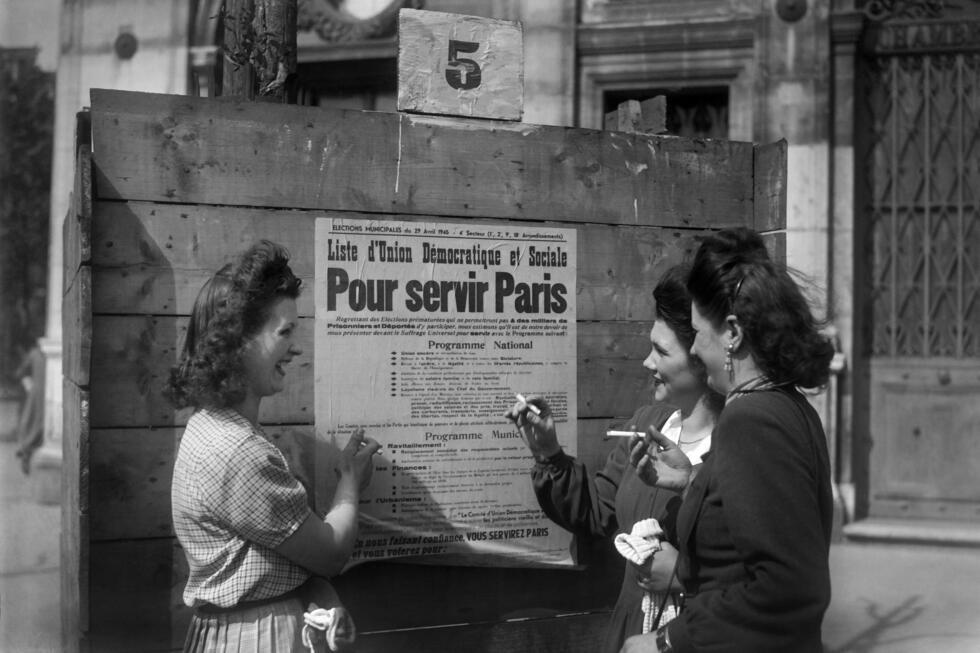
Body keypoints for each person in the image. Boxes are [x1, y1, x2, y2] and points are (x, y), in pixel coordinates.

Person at [622, 227, 835, 653]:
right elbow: (759, 522)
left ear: (733, 333)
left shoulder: (749, 420)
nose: (696, 350)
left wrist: (666, 641)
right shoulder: (788, 407)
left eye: (699, 332)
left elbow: (788, 589)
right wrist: (694, 481)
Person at [165, 240, 380, 652]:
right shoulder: (240, 451)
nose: (294, 347)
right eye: (284, 332)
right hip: (259, 637)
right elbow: (331, 554)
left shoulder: (209, 426)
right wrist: (349, 482)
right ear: (237, 344)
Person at [505, 265, 723, 653]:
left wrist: (682, 575)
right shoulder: (647, 425)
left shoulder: (732, 447)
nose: (646, 362)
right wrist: (549, 452)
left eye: (660, 351)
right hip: (632, 634)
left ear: (700, 356)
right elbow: (597, 511)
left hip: (696, 637)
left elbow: (756, 572)